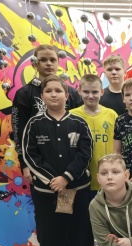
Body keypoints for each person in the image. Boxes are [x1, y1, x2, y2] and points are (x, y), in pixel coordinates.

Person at [22, 75, 96, 246]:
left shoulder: (79, 123)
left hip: (77, 188)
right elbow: (30, 155)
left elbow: (85, 153)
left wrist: (66, 177)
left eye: (58, 90)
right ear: (42, 96)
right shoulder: (34, 124)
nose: (53, 94)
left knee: (81, 230)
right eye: (49, 91)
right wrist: (52, 180)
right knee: (49, 233)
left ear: (67, 96)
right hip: (46, 192)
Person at [12, 44, 82, 184]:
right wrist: (25, 163)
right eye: (43, 60)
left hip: (70, 160)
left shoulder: (72, 93)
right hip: (38, 161)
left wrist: (79, 163)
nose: (49, 63)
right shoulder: (24, 94)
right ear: (35, 64)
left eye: (52, 60)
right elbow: (19, 131)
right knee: (43, 197)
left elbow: (81, 128)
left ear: (58, 62)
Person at [70, 74, 118, 195]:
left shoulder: (111, 115)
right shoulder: (71, 116)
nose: (90, 96)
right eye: (86, 91)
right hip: (80, 178)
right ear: (79, 91)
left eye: (95, 92)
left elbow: (119, 146)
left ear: (102, 92)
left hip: (107, 178)